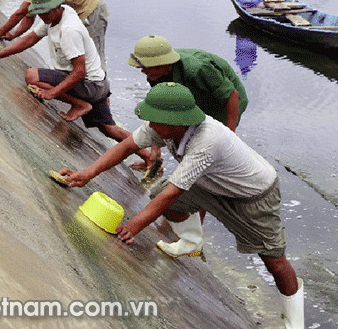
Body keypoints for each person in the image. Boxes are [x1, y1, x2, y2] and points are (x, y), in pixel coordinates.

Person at [59, 82, 304, 329]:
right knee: (158, 194)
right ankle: (191, 241)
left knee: (274, 260)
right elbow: (127, 146)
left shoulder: (206, 140)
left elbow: (173, 193)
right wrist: (86, 174)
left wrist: (132, 227)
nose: (151, 125)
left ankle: (295, 322)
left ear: (178, 121)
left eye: (155, 121)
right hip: (211, 181)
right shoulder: (163, 125)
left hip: (252, 194)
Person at [0, 0, 151, 164]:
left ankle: (80, 105)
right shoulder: (58, 15)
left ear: (57, 6)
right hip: (98, 83)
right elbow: (31, 39)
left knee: (32, 76)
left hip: (89, 84)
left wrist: (51, 93)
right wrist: (0, 53)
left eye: (46, 11)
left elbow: (79, 72)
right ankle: (148, 157)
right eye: (39, 12)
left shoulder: (68, 30)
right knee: (109, 129)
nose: (42, 16)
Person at [127, 35, 249, 256]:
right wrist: (156, 149)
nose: (144, 73)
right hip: (192, 101)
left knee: (203, 167)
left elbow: (232, 95)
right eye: (143, 69)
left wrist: (229, 136)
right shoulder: (156, 73)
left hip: (223, 105)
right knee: (183, 149)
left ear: (163, 64)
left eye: (147, 69)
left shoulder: (198, 69)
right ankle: (182, 211)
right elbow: (160, 108)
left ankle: (196, 230)